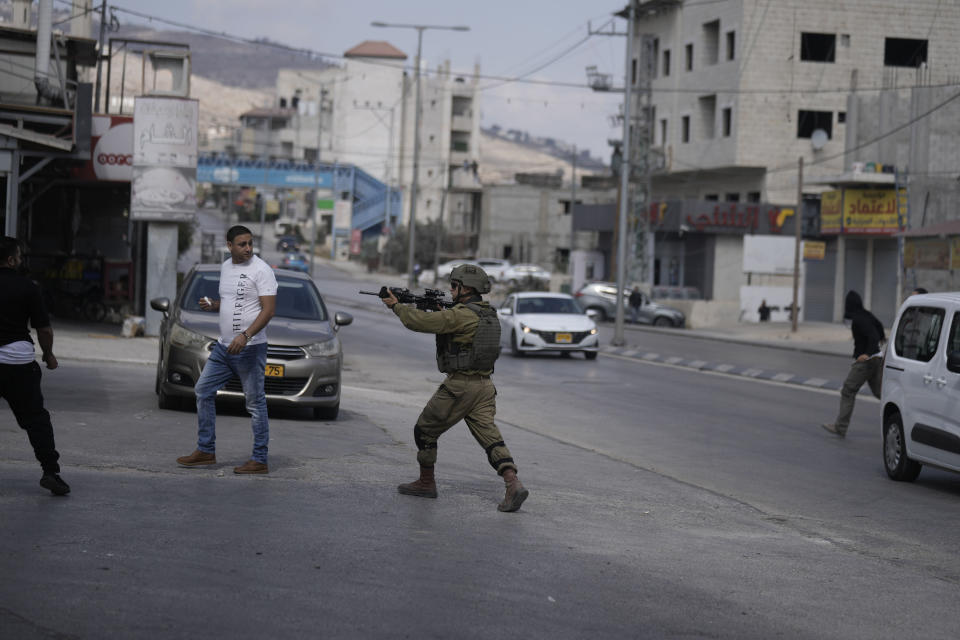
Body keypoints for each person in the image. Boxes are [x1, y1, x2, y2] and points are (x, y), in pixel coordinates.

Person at [381, 264, 529, 512]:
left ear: (465, 288)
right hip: (484, 387)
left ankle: (426, 482)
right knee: (490, 438)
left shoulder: (460, 315)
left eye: (453, 286)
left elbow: (418, 321)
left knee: (424, 431)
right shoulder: (488, 314)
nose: (450, 290)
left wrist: (395, 306)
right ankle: (513, 482)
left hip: (460, 387)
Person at [177, 225, 277, 474]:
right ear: (229, 245)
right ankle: (206, 451)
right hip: (224, 347)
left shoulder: (262, 270)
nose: (248, 248)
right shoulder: (225, 267)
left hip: (250, 348)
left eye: (250, 243)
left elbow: (268, 310)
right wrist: (215, 305)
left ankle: (260, 459)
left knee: (255, 403)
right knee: (203, 390)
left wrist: (245, 336)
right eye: (242, 244)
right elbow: (237, 302)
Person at [0, 236, 70, 495]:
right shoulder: (28, 287)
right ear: (10, 260)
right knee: (35, 419)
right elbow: (45, 330)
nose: (20, 260)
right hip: (18, 361)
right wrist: (49, 355)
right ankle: (51, 472)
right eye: (18, 256)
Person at [822, 291, 885, 438]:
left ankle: (840, 427)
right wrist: (881, 339)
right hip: (877, 359)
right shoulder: (866, 314)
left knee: (848, 390)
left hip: (866, 362)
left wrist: (866, 354)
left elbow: (873, 335)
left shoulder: (858, 319)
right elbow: (879, 326)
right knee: (880, 392)